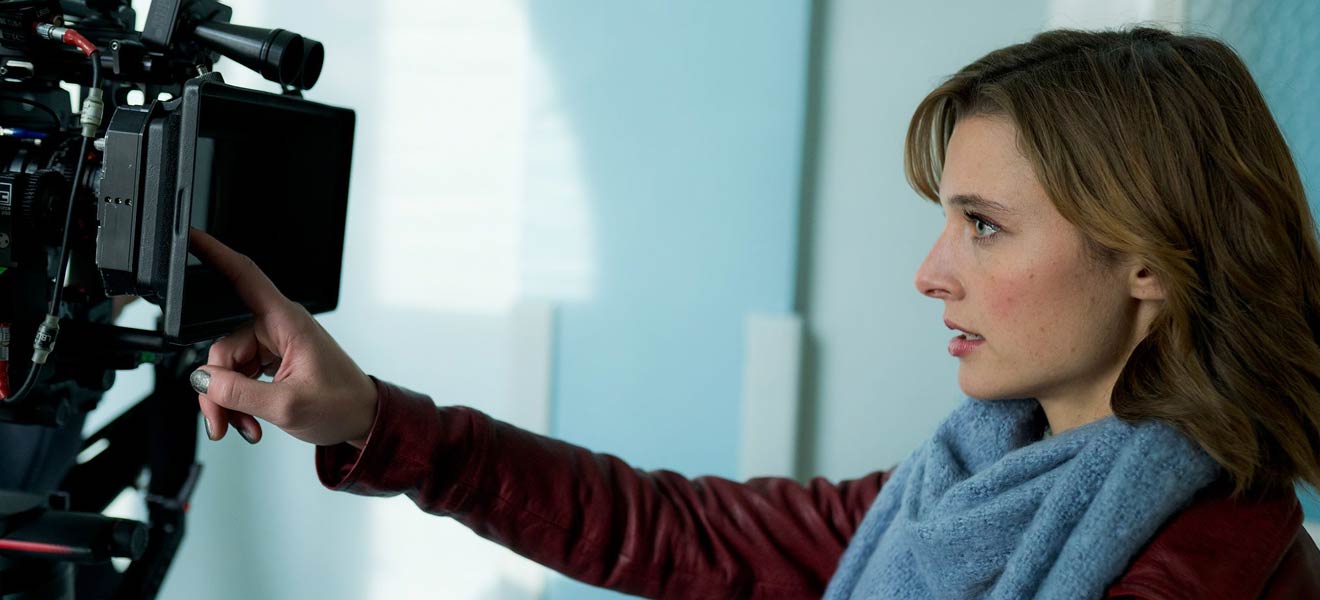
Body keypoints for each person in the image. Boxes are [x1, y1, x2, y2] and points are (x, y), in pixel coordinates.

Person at [185, 27, 1320, 598]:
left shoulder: (1209, 565)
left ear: (1148, 259)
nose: (931, 273)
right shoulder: (971, 484)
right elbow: (682, 534)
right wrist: (368, 418)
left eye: (983, 225)